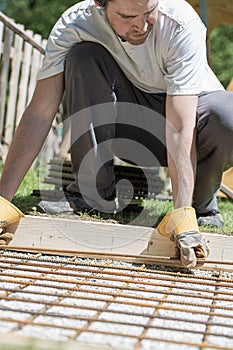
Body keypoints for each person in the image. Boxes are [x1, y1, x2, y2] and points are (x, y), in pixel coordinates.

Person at [0, 0, 233, 268]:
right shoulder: (74, 24)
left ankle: (200, 206)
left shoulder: (181, 24)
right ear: (100, 4)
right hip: (129, 122)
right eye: (127, 16)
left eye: (149, 12)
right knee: (82, 56)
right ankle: (93, 194)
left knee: (227, 115)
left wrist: (181, 213)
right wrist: (3, 199)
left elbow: (180, 125)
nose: (142, 25)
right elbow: (40, 112)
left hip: (190, 124)